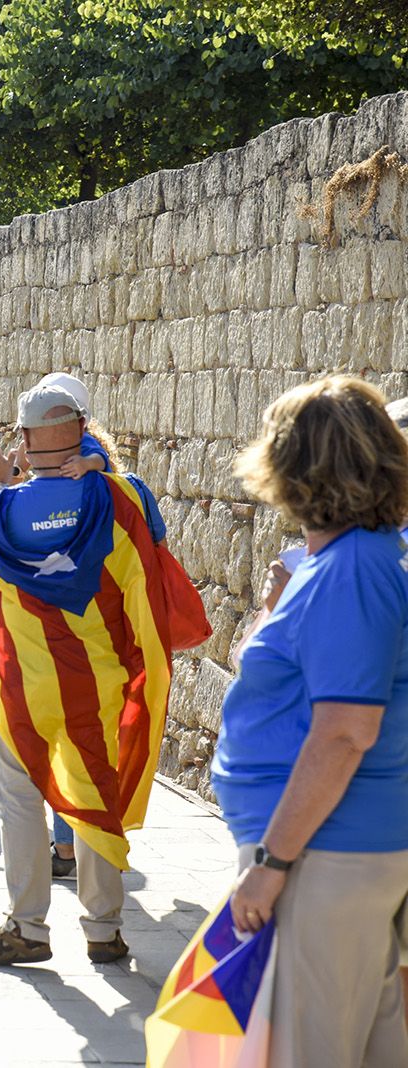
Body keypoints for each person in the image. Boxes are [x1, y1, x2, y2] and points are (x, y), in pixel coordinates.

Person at [0, 384, 169, 969]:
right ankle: (104, 929)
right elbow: (154, 557)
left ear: (26, 440)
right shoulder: (125, 496)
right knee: (94, 793)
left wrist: (2, 482)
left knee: (20, 799)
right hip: (99, 681)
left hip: (26, 685)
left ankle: (26, 926)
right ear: (82, 429)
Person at [211, 376, 408, 1067]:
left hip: (324, 853)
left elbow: (346, 731)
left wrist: (273, 863)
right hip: (338, 849)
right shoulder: (356, 559)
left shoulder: (352, 568)